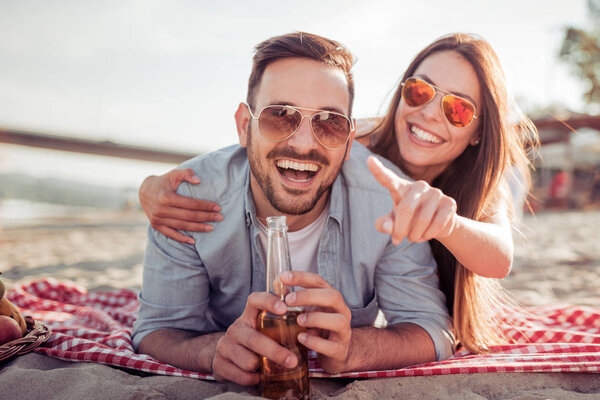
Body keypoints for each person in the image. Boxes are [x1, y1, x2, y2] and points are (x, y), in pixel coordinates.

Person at [138, 33, 539, 354]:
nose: (431, 113)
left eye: (458, 110)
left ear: (480, 132)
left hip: (417, 279)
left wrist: (443, 222)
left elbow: (498, 257)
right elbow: (264, 145)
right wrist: (151, 188)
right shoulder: (352, 136)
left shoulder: (480, 186)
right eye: (419, 92)